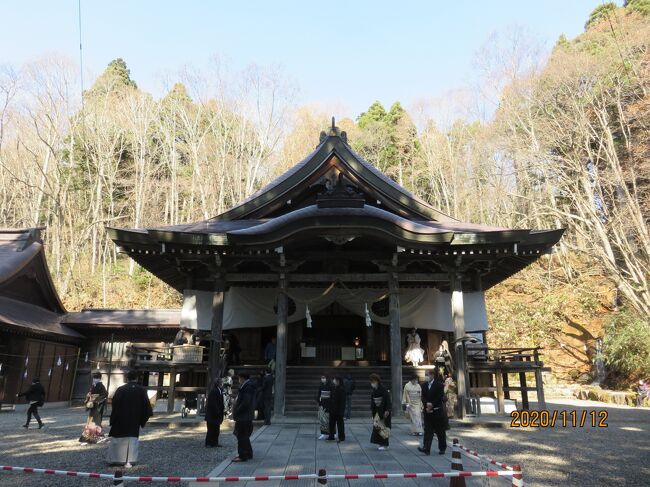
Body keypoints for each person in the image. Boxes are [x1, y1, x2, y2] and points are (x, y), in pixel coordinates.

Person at [107, 371, 153, 467]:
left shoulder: (121, 389)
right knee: (131, 439)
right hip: (134, 420)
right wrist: (141, 420)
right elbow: (147, 408)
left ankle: (116, 459)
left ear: (127, 379)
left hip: (120, 420)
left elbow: (115, 405)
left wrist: (114, 418)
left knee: (118, 438)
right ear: (136, 379)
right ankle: (130, 460)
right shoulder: (141, 390)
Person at [418, 368, 447, 456]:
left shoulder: (439, 385)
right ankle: (426, 448)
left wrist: (432, 404)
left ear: (432, 375)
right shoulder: (423, 385)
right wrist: (426, 404)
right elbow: (422, 396)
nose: (427, 377)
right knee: (428, 430)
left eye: (428, 375)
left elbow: (440, 397)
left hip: (437, 410)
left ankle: (442, 447)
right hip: (427, 410)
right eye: (426, 375)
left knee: (440, 431)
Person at [232, 372, 256, 462]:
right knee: (245, 436)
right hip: (246, 415)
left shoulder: (247, 387)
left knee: (241, 436)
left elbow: (246, 402)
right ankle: (248, 453)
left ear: (242, 378)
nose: (239, 380)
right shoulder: (248, 386)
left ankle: (242, 455)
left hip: (244, 416)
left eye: (239, 378)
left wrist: (237, 409)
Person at [79, 373, 108, 444]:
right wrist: (89, 395)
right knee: (91, 421)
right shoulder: (93, 385)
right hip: (93, 406)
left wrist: (96, 400)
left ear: (99, 378)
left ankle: (96, 437)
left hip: (98, 406)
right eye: (94, 377)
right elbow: (90, 394)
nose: (95, 379)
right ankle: (89, 437)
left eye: (96, 378)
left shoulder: (101, 386)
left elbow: (105, 395)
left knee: (96, 421)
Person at [369, 373, 391, 451]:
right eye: (371, 382)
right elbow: (373, 401)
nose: (372, 383)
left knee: (384, 427)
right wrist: (373, 411)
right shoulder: (374, 390)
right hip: (377, 410)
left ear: (377, 381)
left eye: (373, 381)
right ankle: (380, 443)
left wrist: (387, 410)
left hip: (383, 410)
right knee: (378, 427)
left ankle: (385, 444)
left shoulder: (383, 389)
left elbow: (387, 400)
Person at [205, 378, 225, 447]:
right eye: (221, 382)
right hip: (212, 414)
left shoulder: (220, 390)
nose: (222, 384)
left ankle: (215, 442)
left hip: (218, 413)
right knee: (211, 429)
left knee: (216, 429)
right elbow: (213, 403)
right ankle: (208, 443)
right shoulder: (214, 391)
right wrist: (217, 411)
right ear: (218, 384)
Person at [327, 376, 345, 442]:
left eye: (335, 380)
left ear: (338, 381)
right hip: (332, 410)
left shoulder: (341, 389)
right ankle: (331, 436)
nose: (334, 381)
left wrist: (341, 412)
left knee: (340, 425)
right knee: (331, 424)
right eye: (334, 380)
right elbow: (331, 399)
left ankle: (341, 437)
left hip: (338, 410)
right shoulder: (333, 388)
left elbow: (343, 402)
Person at [316, 375, 332, 440]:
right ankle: (323, 433)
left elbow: (332, 396)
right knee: (322, 420)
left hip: (328, 405)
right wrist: (318, 400)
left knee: (328, 420)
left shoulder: (330, 386)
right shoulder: (321, 386)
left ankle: (331, 433)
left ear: (327, 378)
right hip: (322, 405)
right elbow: (318, 395)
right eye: (322, 378)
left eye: (324, 378)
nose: (323, 379)